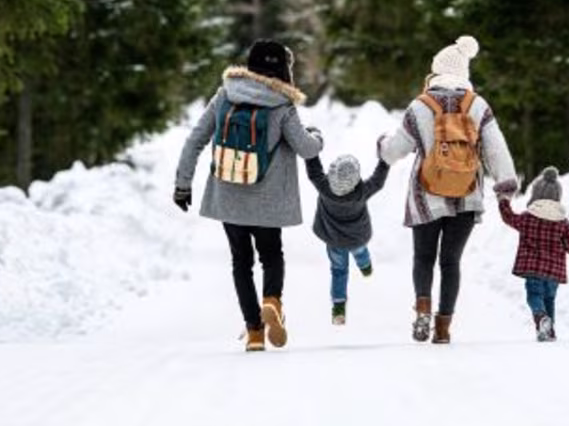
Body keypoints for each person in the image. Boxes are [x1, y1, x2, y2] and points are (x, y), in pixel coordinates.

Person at [172, 39, 324, 352]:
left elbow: (195, 140)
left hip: (229, 196)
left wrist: (183, 184)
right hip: (269, 201)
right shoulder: (282, 104)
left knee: (241, 261)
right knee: (271, 255)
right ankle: (272, 301)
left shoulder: (225, 94)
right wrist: (318, 136)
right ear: (282, 68)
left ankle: (254, 332)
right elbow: (306, 148)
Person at [377, 34, 519, 344]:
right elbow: (496, 151)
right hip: (466, 196)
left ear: (436, 72)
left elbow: (394, 151)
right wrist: (505, 190)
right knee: (451, 262)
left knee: (423, 258)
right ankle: (443, 328)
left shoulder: (420, 106)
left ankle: (422, 311)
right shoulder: (478, 105)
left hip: (425, 196)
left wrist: (381, 147)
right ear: (464, 74)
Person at [496, 166, 569, 341]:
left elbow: (509, 218)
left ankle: (541, 317)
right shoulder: (563, 223)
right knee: (549, 299)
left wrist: (503, 200)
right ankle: (549, 331)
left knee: (534, 297)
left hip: (533, 269)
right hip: (554, 272)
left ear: (535, 194)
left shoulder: (528, 218)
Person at [303, 153, 390, 325]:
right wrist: (384, 161)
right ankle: (366, 268)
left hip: (334, 241)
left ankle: (339, 309)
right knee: (361, 252)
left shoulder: (324, 187)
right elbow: (378, 181)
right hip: (357, 238)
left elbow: (314, 171)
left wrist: (311, 150)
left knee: (338, 271)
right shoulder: (362, 192)